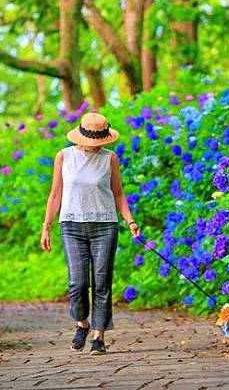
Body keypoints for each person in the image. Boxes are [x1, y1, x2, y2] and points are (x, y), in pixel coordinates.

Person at [40, 112, 140, 355]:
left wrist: (130, 221)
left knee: (102, 283)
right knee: (78, 282)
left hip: (105, 225)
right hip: (72, 225)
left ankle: (99, 337)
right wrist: (47, 226)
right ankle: (82, 323)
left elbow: (118, 194)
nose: (97, 146)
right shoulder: (64, 156)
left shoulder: (110, 159)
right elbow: (55, 194)